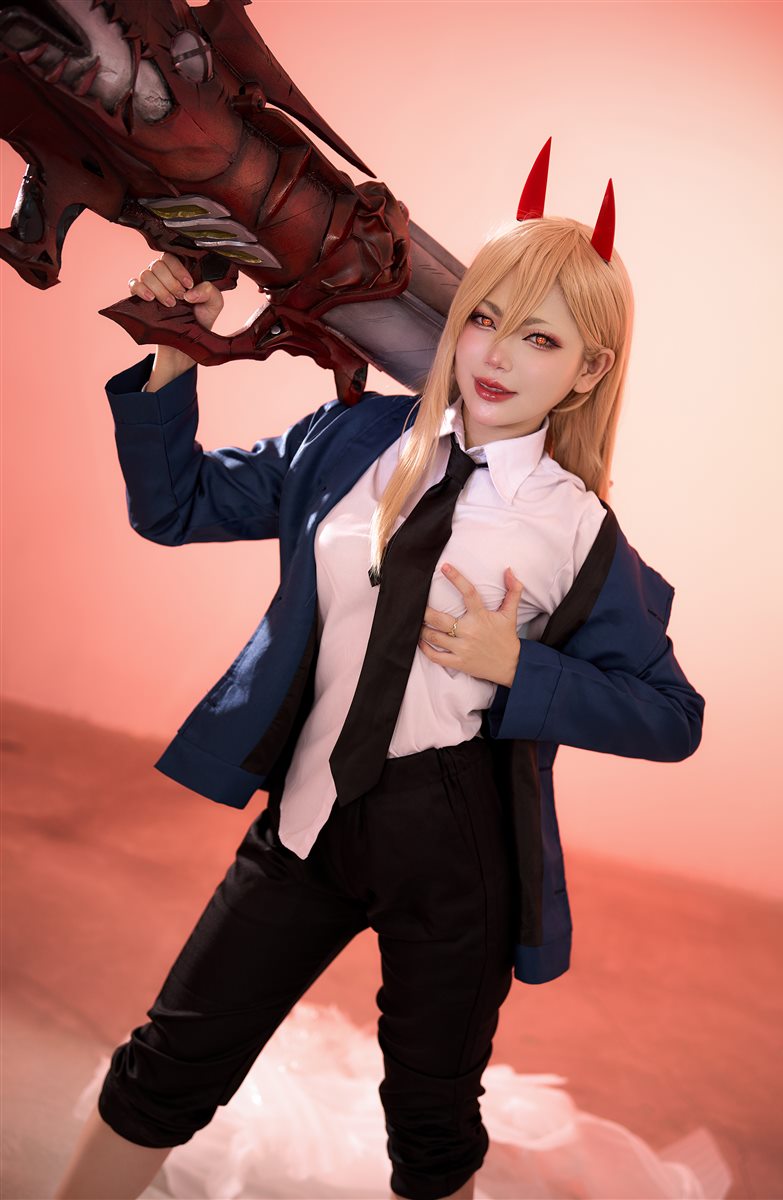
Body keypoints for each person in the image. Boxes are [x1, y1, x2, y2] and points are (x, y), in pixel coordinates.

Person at [53, 180, 703, 1200]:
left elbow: (672, 717)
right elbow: (175, 506)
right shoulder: (352, 440)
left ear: (588, 372)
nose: (496, 356)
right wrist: (178, 351)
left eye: (539, 339)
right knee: (168, 1060)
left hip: (454, 847)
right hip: (307, 818)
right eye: (483, 318)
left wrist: (518, 667)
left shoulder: (577, 530)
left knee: (431, 1124)